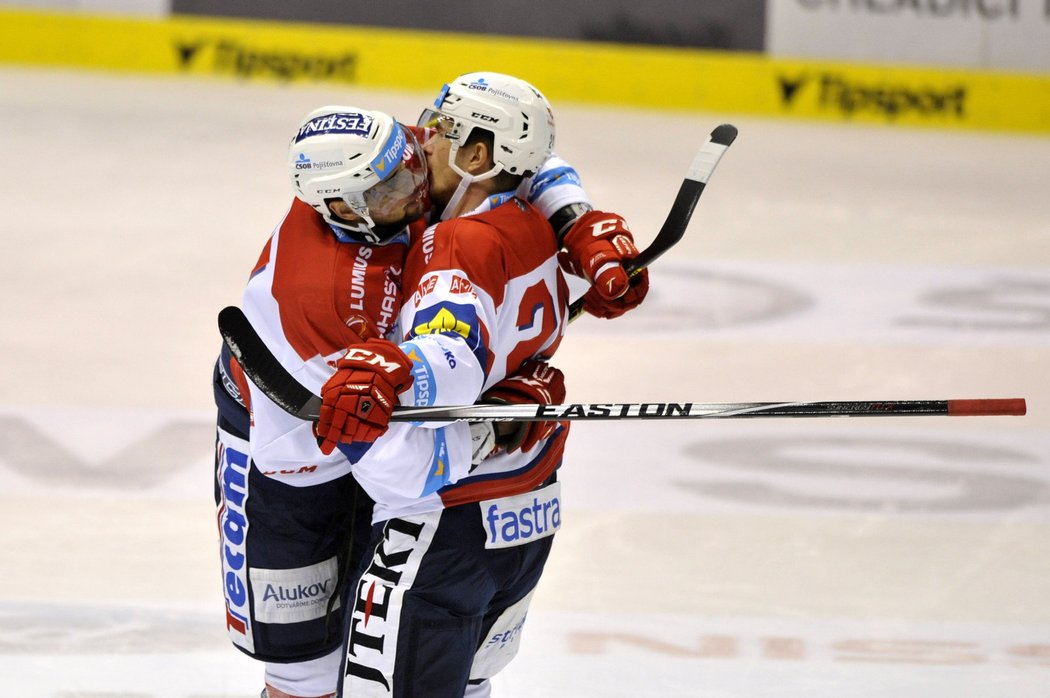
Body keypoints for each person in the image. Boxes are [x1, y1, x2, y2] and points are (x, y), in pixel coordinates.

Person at [213, 73, 649, 698]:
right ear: (344, 206)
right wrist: (503, 417)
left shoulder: (395, 160)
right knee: (302, 668)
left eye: (419, 153)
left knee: (398, 661)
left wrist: (578, 224)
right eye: (391, 190)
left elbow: (527, 156)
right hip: (295, 449)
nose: (416, 185)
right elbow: (397, 467)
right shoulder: (318, 303)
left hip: (386, 428)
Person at [318, 72, 605, 697]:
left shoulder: (457, 242)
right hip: (526, 518)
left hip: (442, 526)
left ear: (478, 157)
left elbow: (453, 355)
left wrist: (399, 367)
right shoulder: (535, 223)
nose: (425, 142)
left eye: (443, 130)